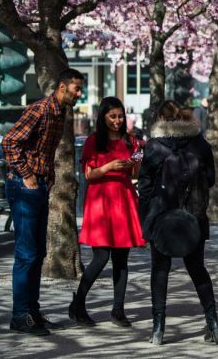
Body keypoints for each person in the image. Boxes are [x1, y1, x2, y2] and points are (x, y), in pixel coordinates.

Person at [2, 68, 85, 336]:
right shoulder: (40, 109)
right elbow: (10, 141)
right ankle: (19, 316)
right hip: (24, 186)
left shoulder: (60, 112)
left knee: (38, 253)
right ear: (62, 87)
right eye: (76, 89)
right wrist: (27, 176)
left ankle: (32, 312)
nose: (79, 94)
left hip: (38, 186)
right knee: (26, 254)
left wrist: (45, 180)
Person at [137, 101, 218, 346]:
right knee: (197, 270)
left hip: (162, 217)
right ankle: (213, 321)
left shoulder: (154, 147)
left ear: (160, 120)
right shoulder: (200, 144)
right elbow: (211, 180)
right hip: (193, 217)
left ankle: (158, 328)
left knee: (160, 271)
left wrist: (146, 221)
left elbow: (144, 187)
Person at [69, 97, 146, 327]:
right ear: (103, 117)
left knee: (121, 259)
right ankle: (78, 303)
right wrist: (109, 167)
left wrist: (136, 161)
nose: (117, 120)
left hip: (123, 198)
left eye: (120, 116)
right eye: (112, 116)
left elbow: (136, 173)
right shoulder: (94, 141)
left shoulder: (130, 140)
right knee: (101, 257)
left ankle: (118, 310)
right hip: (101, 200)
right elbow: (89, 175)